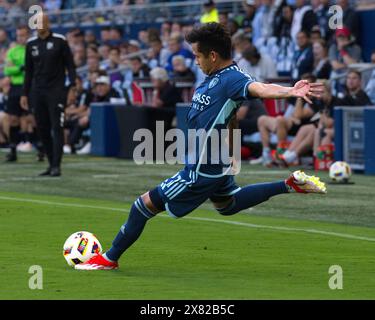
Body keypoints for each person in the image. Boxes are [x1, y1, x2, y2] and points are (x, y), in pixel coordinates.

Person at [75, 23, 326, 271]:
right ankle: (288, 184)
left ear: (213, 55)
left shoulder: (233, 78)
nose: (195, 60)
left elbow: (259, 88)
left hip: (202, 167)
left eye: (197, 55)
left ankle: (109, 258)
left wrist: (290, 91)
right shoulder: (214, 78)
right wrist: (231, 152)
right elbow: (231, 115)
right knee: (228, 205)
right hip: (216, 160)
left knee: (142, 206)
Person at [21, 13, 76, 177]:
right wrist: (25, 94)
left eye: (43, 22)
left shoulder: (60, 40)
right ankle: (51, 163)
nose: (40, 25)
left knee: (57, 127)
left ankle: (56, 165)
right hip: (37, 92)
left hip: (56, 91)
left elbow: (70, 66)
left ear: (48, 23)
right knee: (42, 128)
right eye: (37, 22)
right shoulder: (31, 44)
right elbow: (28, 72)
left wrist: (72, 87)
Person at [3, 26, 29, 162]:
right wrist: (21, 67)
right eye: (19, 35)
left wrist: (18, 67)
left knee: (32, 119)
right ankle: (13, 150)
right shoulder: (12, 51)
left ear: (28, 35)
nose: (20, 38)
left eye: (23, 35)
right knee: (13, 119)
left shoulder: (33, 50)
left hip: (31, 86)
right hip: (16, 87)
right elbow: (7, 70)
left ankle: (40, 147)